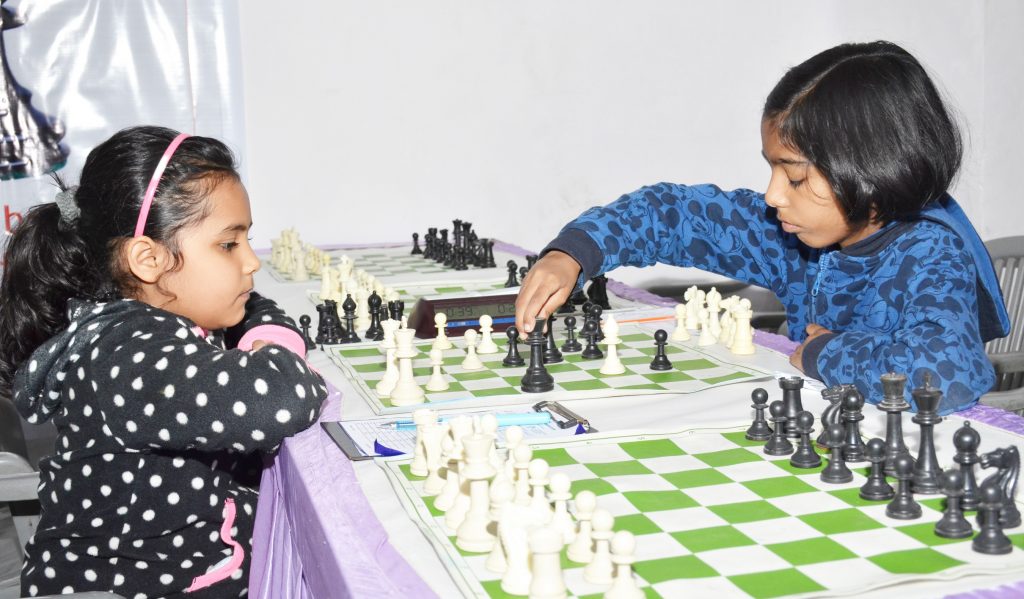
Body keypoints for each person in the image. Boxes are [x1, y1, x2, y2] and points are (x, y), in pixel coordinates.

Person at [515, 41, 1009, 415]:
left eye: (794, 175)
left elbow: (947, 373)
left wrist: (826, 351)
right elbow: (673, 214)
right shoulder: (788, 233)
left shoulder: (930, 252)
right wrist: (575, 252)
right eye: (772, 170)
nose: (773, 195)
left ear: (872, 168)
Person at [0, 126, 329, 598]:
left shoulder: (152, 320)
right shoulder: (130, 353)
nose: (252, 263)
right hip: (133, 587)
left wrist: (260, 329)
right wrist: (270, 345)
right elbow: (283, 398)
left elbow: (257, 322)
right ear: (147, 259)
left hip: (178, 568)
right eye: (228, 244)